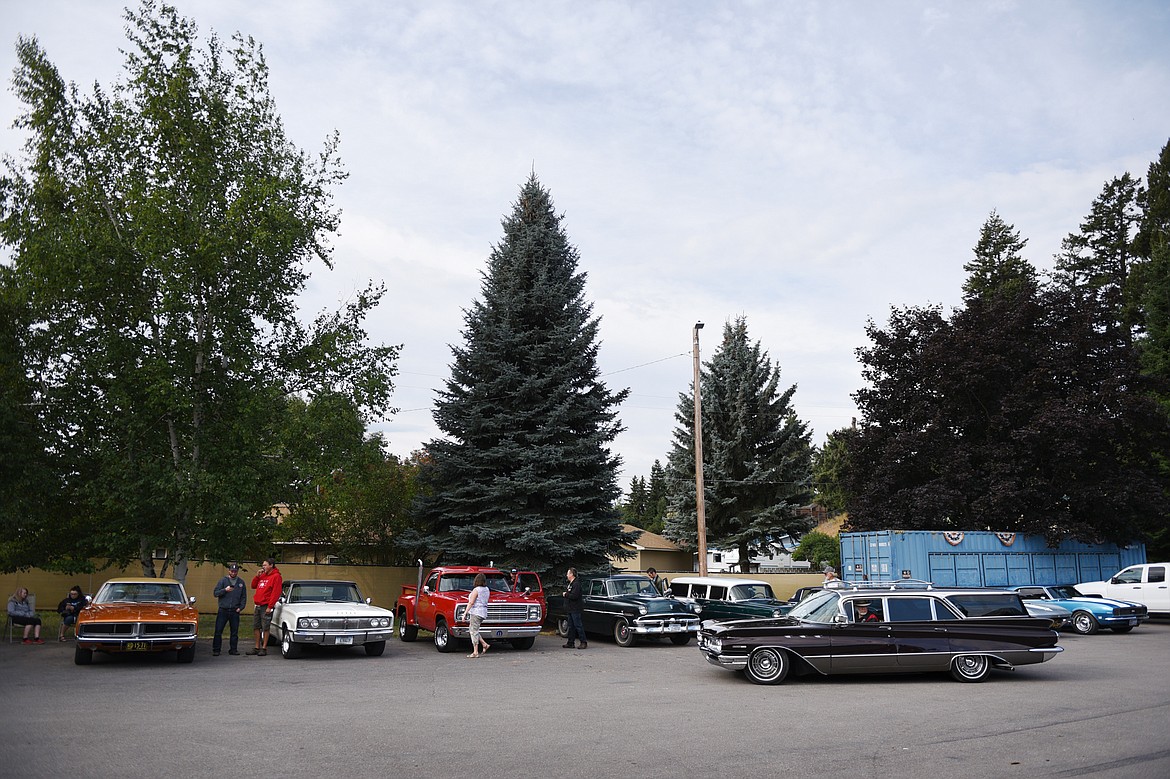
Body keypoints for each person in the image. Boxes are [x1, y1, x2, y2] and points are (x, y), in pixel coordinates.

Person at [247, 557, 282, 656]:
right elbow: (253, 585)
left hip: (266, 605)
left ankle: (264, 647)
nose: (263, 567)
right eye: (263, 565)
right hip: (258, 604)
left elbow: (275, 593)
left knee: (265, 627)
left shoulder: (276, 576)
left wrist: (270, 606)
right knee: (256, 626)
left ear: (271, 565)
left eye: (265, 565)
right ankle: (256, 647)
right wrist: (257, 576)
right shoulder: (262, 576)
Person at [212, 563, 248, 656]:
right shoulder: (223, 581)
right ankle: (216, 649)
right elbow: (215, 593)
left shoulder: (241, 582)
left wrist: (241, 607)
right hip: (223, 610)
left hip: (235, 610)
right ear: (229, 571)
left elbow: (243, 597)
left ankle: (233, 649)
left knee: (234, 632)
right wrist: (224, 590)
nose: (233, 573)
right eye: (232, 571)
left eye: (235, 571)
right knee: (218, 631)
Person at [466, 572, 491, 658]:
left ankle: (475, 651)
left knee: (473, 631)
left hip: (476, 612)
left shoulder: (476, 590)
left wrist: (465, 613)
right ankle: (484, 644)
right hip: (483, 612)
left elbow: (471, 602)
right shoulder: (486, 589)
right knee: (473, 630)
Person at [562, 568, 587, 649]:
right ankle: (570, 642)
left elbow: (574, 596)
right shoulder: (571, 584)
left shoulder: (576, 584)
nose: (567, 575)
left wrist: (566, 594)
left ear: (572, 574)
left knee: (578, 625)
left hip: (575, 609)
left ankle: (583, 642)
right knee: (571, 626)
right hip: (570, 608)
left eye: (568, 573)